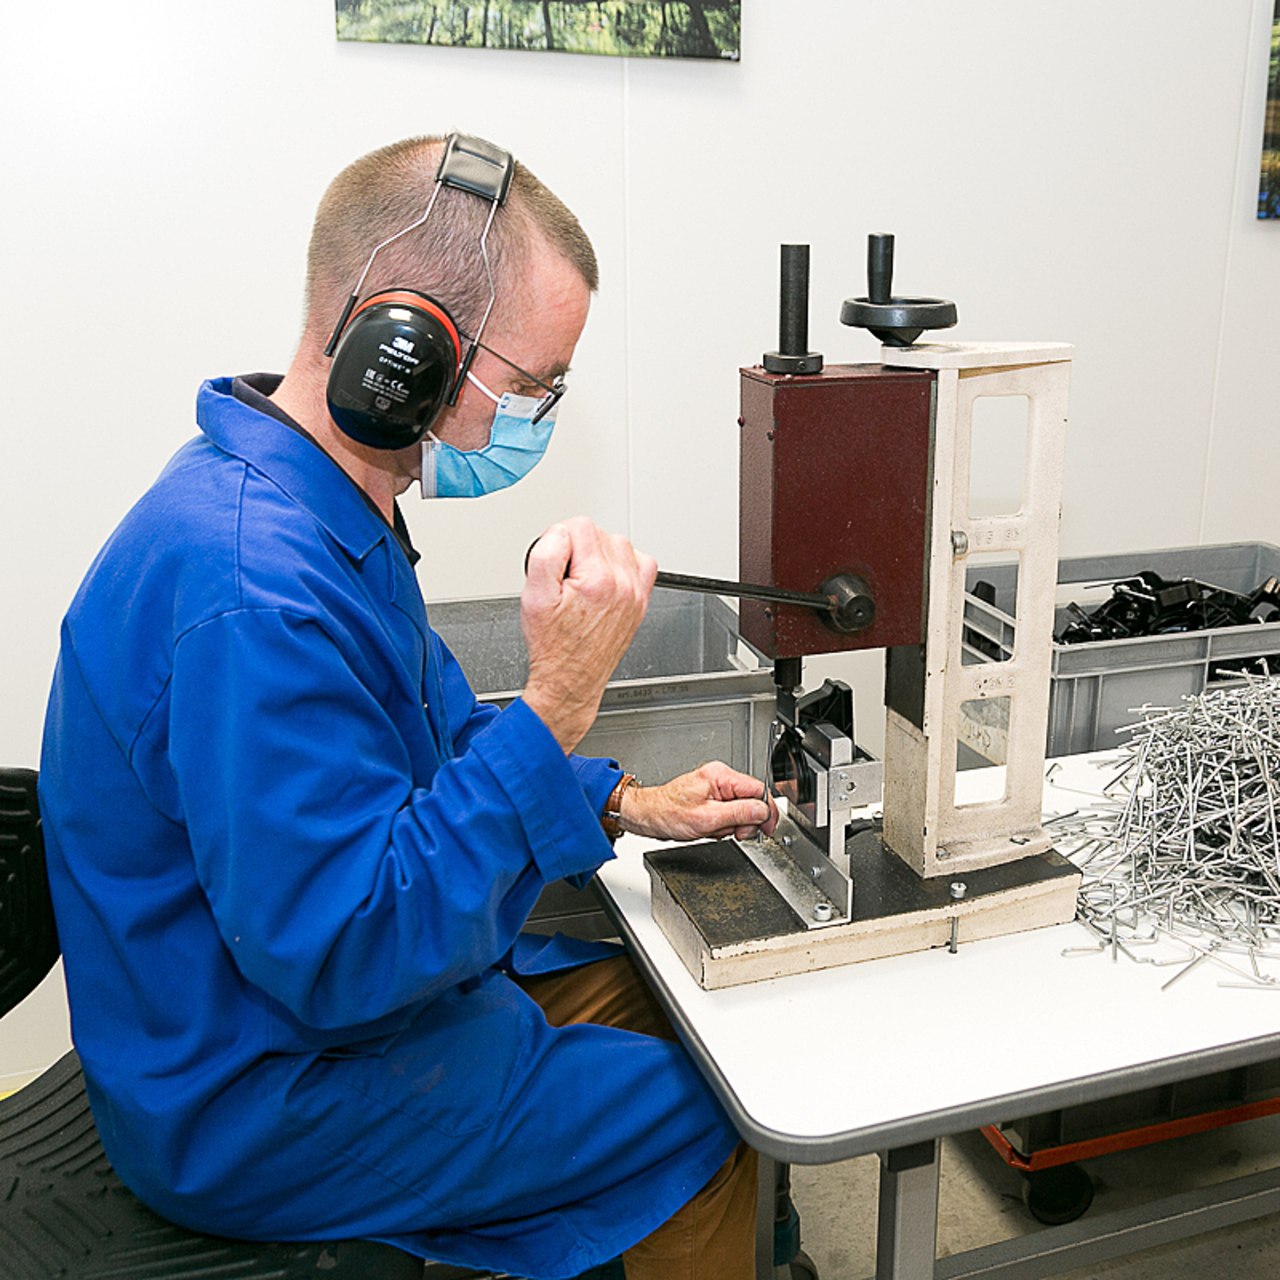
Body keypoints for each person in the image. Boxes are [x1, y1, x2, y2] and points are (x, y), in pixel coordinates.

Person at [39, 132, 777, 1280]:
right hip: (258, 1092)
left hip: (320, 1015)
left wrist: (625, 800)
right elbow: (348, 951)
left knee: (681, 1007)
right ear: (406, 350)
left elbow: (438, 742)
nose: (534, 420)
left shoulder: (319, 509)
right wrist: (559, 697)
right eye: (528, 387)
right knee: (715, 1104)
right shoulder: (252, 593)